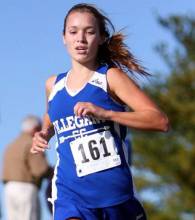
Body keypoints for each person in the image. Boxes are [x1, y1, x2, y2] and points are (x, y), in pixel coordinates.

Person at [31, 3, 169, 220]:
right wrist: (44, 133)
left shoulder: (110, 78)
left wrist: (106, 114)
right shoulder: (53, 85)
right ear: (63, 37)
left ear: (102, 37)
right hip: (70, 194)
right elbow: (52, 114)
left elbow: (159, 120)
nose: (80, 39)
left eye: (90, 32)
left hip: (116, 197)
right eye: (73, 31)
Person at [2, 115, 52, 220]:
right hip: (25, 189)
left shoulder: (11, 145)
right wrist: (53, 172)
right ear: (35, 129)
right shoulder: (31, 143)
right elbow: (40, 170)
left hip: (8, 190)